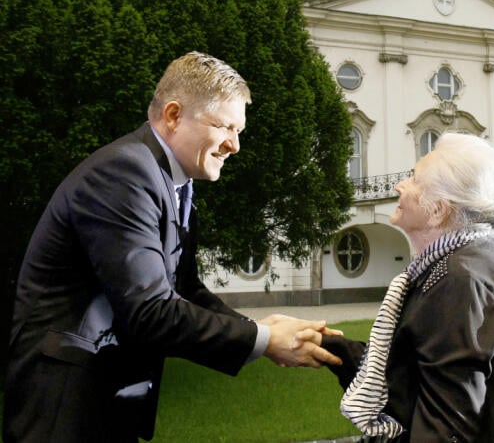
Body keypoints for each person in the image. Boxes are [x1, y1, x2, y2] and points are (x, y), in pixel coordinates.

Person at [3, 52, 343, 443]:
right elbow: (150, 311)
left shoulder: (175, 183)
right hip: (64, 406)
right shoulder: (125, 173)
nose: (235, 145)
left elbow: (183, 290)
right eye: (226, 127)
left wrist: (258, 330)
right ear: (174, 114)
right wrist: (263, 340)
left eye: (240, 131)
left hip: (109, 395)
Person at [334, 132, 494, 442]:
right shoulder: (465, 264)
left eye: (413, 179)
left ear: (438, 210)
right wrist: (328, 349)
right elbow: (418, 367)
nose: (400, 186)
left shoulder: (460, 277)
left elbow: (446, 426)